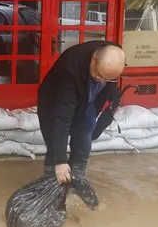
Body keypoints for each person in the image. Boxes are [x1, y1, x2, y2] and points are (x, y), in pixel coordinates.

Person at [37, 41, 126, 185]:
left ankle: (77, 177)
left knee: (86, 129)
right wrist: (60, 160)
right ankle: (51, 181)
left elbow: (108, 81)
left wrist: (112, 95)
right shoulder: (69, 68)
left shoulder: (113, 55)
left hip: (86, 98)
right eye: (98, 75)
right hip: (54, 100)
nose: (101, 80)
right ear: (94, 58)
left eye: (106, 78)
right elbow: (62, 119)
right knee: (54, 140)